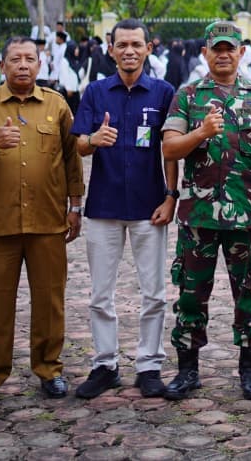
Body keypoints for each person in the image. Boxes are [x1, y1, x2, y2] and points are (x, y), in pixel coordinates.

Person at [0, 37, 84, 407]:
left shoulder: (56, 105)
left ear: (40, 66)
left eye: (30, 59)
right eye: (16, 59)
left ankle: (49, 369)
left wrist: (75, 205)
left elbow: (72, 158)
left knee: (49, 300)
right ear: (2, 66)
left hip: (47, 222)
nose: (23, 65)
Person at [161, 21, 251, 401]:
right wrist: (200, 134)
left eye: (231, 48)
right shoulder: (188, 96)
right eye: (217, 48)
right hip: (198, 217)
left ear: (242, 52)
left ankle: (250, 369)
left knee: (249, 293)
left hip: (246, 216)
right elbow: (169, 149)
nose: (224, 54)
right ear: (205, 53)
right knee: (191, 294)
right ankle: (187, 369)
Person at [71, 20, 177, 399]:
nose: (129, 51)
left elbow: (172, 149)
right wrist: (92, 140)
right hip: (105, 204)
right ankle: (105, 364)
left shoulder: (164, 93)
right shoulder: (96, 92)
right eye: (122, 45)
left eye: (136, 44)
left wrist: (171, 196)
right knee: (101, 293)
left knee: (154, 292)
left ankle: (149, 364)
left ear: (149, 48)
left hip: (150, 205)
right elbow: (79, 144)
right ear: (110, 49)